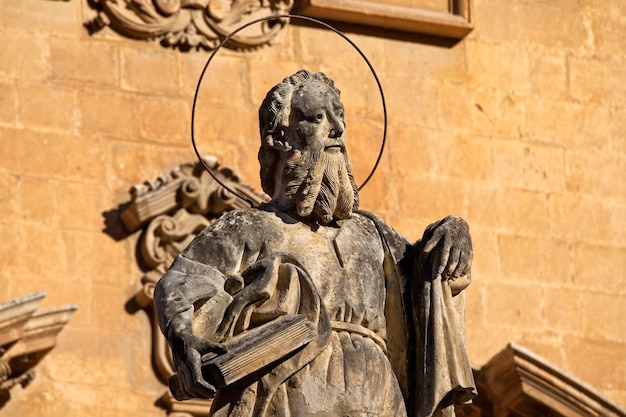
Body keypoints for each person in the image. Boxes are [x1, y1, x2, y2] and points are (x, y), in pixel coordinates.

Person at [154, 70, 476, 417]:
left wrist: (454, 232)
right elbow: (182, 283)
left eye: (340, 117)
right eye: (318, 118)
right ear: (280, 137)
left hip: (379, 397)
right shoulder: (249, 226)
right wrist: (183, 334)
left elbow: (427, 283)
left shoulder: (374, 233)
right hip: (287, 389)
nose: (336, 129)